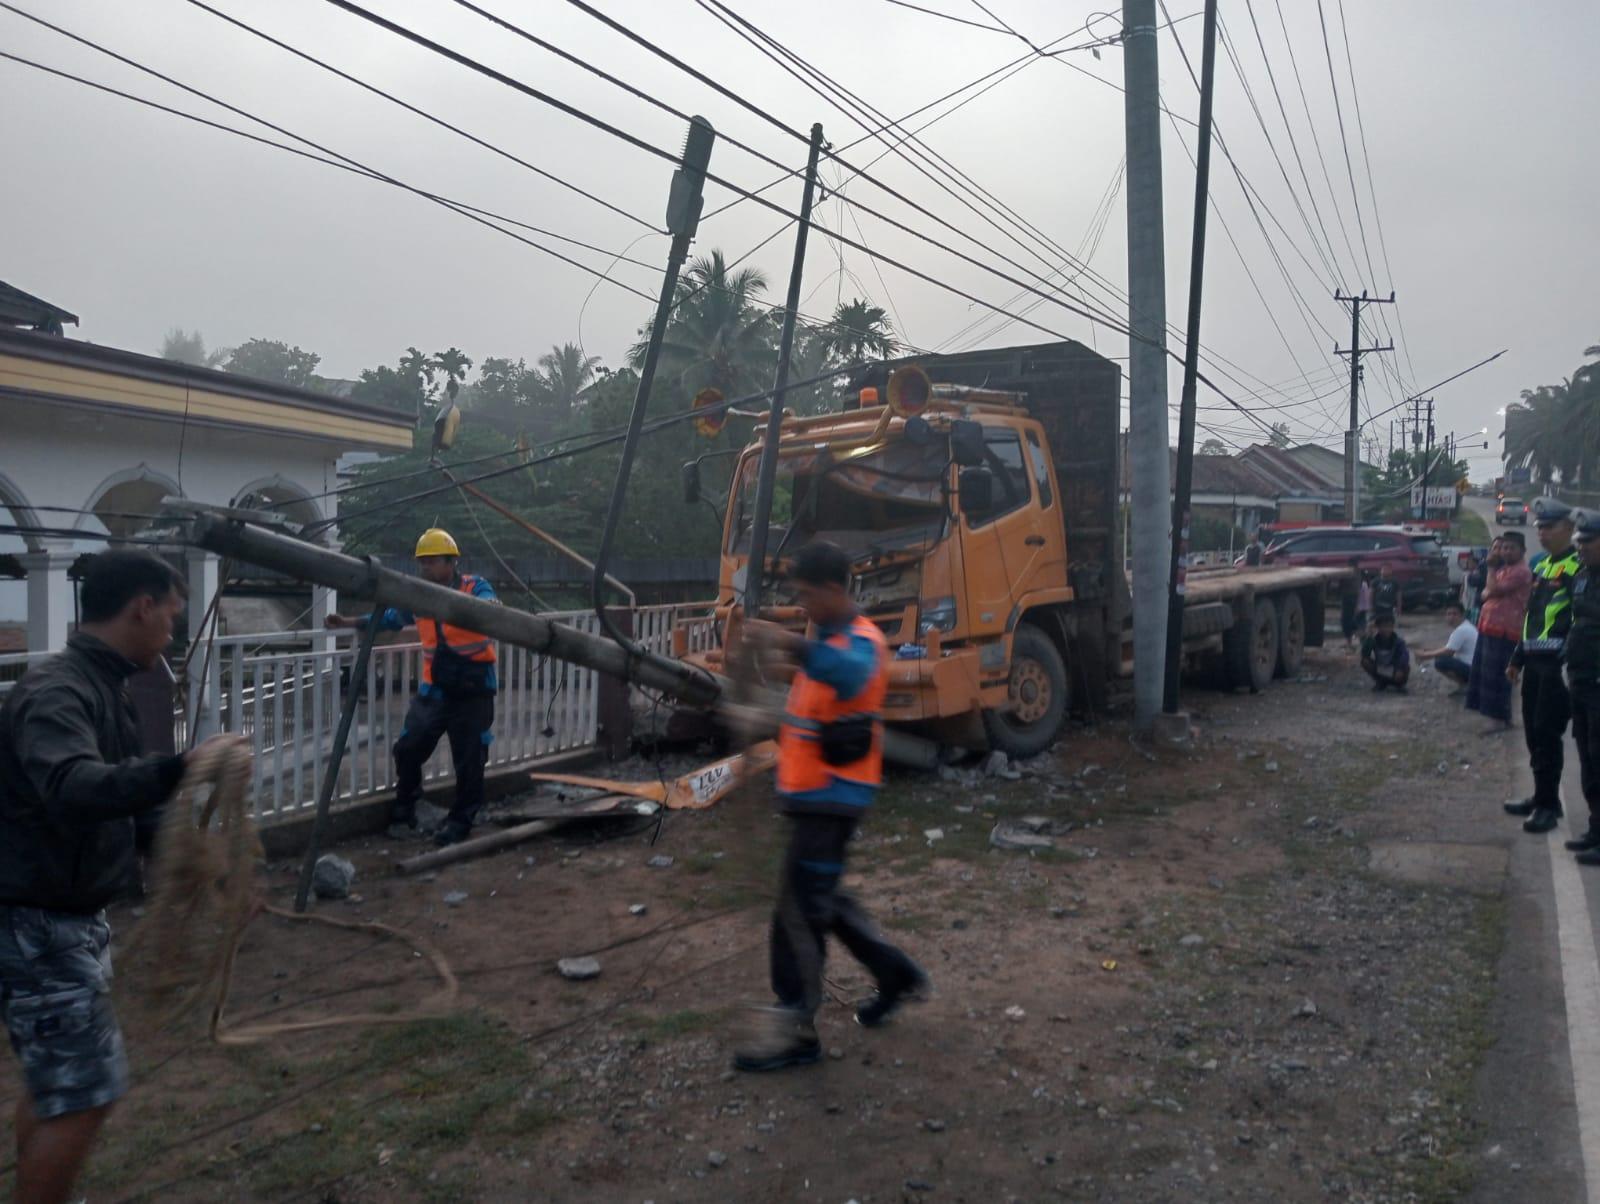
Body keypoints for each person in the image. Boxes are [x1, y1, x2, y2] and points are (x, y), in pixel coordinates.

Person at [0, 551, 246, 1204]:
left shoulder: (101, 686)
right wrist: (181, 766)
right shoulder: (58, 692)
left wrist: (182, 856)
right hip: (39, 925)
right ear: (141, 607)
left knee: (60, 1084)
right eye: (170, 615)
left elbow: (119, 796)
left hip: (64, 920)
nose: (171, 631)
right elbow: (71, 786)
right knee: (85, 1093)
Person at [734, 541, 927, 1073]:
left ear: (834, 589)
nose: (802, 606)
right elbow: (810, 701)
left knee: (797, 913)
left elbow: (844, 675)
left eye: (806, 596)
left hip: (833, 801)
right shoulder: (827, 640)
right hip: (813, 797)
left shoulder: (860, 643)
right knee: (822, 901)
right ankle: (895, 973)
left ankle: (795, 1029)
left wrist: (790, 646)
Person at [327, 528, 499, 847]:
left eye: (432, 562)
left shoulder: (475, 586)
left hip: (474, 689)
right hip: (435, 689)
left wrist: (477, 605)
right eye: (423, 563)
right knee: (408, 748)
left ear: (451, 563)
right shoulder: (419, 595)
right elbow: (391, 617)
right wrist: (349, 623)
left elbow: (489, 607)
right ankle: (408, 802)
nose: (426, 569)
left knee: (470, 758)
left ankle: (461, 821)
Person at [1504, 500, 1582, 834]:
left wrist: (1569, 662)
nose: (1542, 532)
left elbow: (1581, 621)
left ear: (1568, 528)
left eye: (1549, 527)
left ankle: (1549, 806)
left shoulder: (1578, 569)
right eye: (1539, 527)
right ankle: (1540, 795)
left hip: (1556, 666)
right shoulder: (1543, 567)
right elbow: (1532, 618)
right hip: (1534, 663)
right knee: (1534, 734)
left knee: (1548, 734)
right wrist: (1517, 658)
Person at [1467, 533, 1533, 732]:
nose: (1506, 551)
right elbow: (1486, 592)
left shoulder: (1520, 572)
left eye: (1511, 548)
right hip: (1491, 627)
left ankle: (1498, 719)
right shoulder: (1507, 569)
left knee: (1497, 675)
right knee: (1487, 673)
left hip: (1505, 630)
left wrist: (1490, 568)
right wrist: (1490, 588)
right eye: (1503, 548)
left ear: (1522, 550)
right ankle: (1500, 717)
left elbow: (1492, 590)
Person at [1563, 516, 1600, 859]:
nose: (1582, 547)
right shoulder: (1582, 577)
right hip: (1582, 679)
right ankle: (1595, 829)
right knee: (1588, 758)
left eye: (1589, 541)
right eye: (1580, 541)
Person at [1416, 601, 1478, 691]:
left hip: (1472, 669)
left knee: (1441, 662)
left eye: (1455, 614)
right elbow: (1449, 647)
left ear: (1462, 615)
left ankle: (1465, 685)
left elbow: (1448, 651)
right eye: (1449, 614)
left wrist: (1425, 655)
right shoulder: (1465, 626)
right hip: (1473, 667)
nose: (1451, 617)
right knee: (1441, 657)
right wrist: (1429, 651)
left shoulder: (1462, 630)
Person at [1360, 609, 1411, 692]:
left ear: (1392, 627)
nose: (1386, 629)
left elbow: (1405, 655)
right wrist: (1369, 637)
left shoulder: (1398, 641)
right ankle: (1381, 682)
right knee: (1365, 661)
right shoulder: (1374, 640)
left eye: (1389, 626)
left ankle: (1399, 684)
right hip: (1381, 667)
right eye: (1384, 626)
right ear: (1378, 627)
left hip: (1395, 668)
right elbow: (1365, 654)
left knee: (1406, 667)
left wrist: (1400, 668)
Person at [1339, 558, 1364, 648]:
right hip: (1351, 597)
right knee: (1350, 620)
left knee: (1347, 620)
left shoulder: (1351, 573)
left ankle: (1352, 640)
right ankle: (1352, 640)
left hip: (1350, 597)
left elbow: (1348, 585)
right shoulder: (1357, 572)